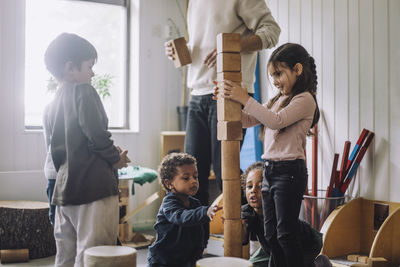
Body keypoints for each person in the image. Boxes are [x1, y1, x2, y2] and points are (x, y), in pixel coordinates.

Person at [165, 0, 281, 244]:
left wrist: (231, 46)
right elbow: (204, 43)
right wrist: (182, 50)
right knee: (189, 176)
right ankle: (194, 244)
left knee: (224, 172)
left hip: (229, 90)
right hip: (197, 93)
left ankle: (251, 239)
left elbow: (271, 32)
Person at [216, 43, 320, 267]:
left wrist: (245, 98)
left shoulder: (305, 99)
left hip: (289, 172)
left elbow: (275, 121)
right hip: (270, 171)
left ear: (298, 70)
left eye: (278, 73)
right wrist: (228, 100)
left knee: (285, 234)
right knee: (271, 234)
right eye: (272, 75)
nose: (274, 81)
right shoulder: (277, 100)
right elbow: (249, 119)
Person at [44, 32, 129, 267]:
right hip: (94, 189)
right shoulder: (84, 92)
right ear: (71, 68)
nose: (92, 73)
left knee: (66, 255)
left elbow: (57, 153)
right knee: (95, 254)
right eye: (90, 66)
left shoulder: (51, 106)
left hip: (64, 191)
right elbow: (97, 136)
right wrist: (116, 159)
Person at [240, 162, 332, 267]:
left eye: (260, 186)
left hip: (306, 244)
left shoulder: (277, 210)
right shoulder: (248, 211)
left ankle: (319, 263)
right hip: (272, 249)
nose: (253, 191)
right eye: (249, 186)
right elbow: (242, 236)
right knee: (251, 265)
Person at [147, 153, 220, 267]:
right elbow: (181, 217)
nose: (193, 181)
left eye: (195, 177)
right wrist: (204, 211)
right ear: (169, 183)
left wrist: (197, 255)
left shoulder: (195, 203)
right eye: (186, 178)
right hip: (163, 260)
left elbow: (199, 233)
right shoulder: (169, 203)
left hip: (184, 259)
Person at [42, 104, 57, 225]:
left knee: (55, 217)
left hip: (53, 170)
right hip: (56, 172)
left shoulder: (49, 107)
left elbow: (48, 141)